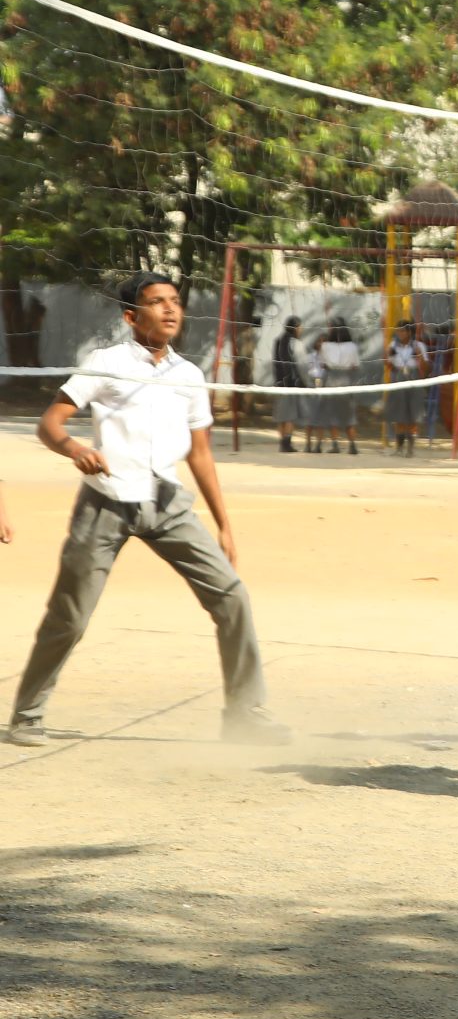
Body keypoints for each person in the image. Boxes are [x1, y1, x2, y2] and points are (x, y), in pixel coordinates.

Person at [7, 272, 289, 748]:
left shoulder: (188, 375)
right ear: (132, 316)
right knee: (70, 616)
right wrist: (75, 449)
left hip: (169, 503)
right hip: (107, 501)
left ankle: (246, 714)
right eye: (157, 303)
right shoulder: (106, 363)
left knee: (232, 596)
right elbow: (49, 424)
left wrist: (225, 525)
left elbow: (200, 454)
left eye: (174, 302)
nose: (170, 310)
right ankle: (27, 714)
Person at [317, 314, 362, 454]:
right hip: (346, 380)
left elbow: (322, 364)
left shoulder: (325, 346)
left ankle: (335, 444)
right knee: (348, 414)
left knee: (332, 413)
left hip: (331, 379)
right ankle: (352, 444)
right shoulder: (352, 346)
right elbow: (356, 365)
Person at [386, 320, 432, 455]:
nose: (399, 334)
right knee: (399, 414)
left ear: (409, 332)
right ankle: (399, 447)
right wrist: (388, 357)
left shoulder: (419, 346)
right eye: (397, 331)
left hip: (414, 377)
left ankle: (410, 448)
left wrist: (419, 356)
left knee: (412, 414)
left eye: (402, 331)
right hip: (400, 378)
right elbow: (390, 365)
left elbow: (426, 368)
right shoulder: (393, 345)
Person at [269, 315, 309, 453]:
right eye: (300, 327)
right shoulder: (296, 344)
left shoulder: (278, 341)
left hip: (279, 383)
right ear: (295, 328)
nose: (301, 329)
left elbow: (275, 363)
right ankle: (287, 442)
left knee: (281, 414)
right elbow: (303, 365)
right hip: (292, 384)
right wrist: (307, 381)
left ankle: (282, 441)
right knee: (290, 415)